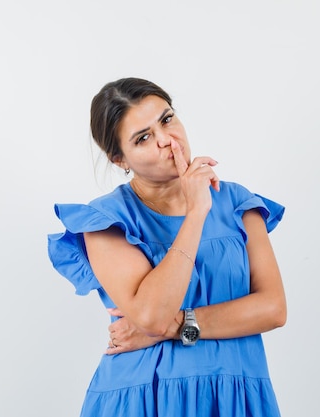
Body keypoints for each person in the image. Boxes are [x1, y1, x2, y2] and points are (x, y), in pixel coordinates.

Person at [47, 77, 286, 417]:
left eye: (167, 119)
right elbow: (151, 316)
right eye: (143, 138)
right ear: (120, 159)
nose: (165, 140)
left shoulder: (237, 202)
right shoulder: (105, 220)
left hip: (236, 395)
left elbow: (273, 309)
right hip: (146, 398)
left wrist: (171, 328)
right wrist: (196, 212)